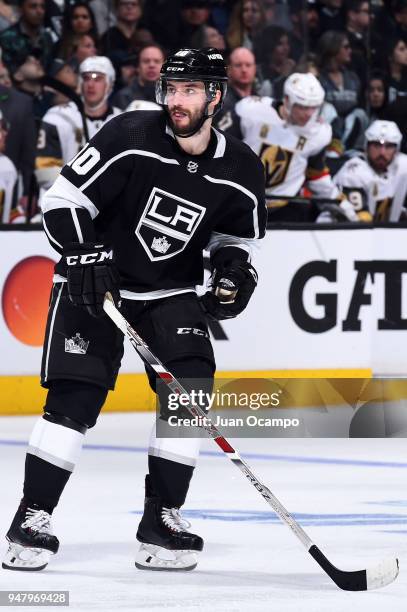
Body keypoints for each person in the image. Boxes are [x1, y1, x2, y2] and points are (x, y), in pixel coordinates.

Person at [2, 47, 266, 572]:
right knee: (76, 397)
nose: (176, 99)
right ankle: (31, 517)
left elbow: (237, 239)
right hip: (92, 284)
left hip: (168, 293)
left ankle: (161, 520)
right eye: (171, 88)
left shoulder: (241, 167)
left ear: (216, 96)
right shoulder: (129, 135)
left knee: (189, 396)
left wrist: (236, 273)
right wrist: (84, 252)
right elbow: (63, 202)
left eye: (190, 90)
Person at [234, 72, 363, 221]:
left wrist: (342, 205)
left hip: (283, 210)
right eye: (302, 107)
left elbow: (316, 175)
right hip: (239, 203)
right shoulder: (251, 111)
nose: (308, 114)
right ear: (287, 100)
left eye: (313, 107)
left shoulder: (318, 133)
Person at [35, 55, 121, 196]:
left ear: (110, 84)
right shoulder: (57, 117)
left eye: (97, 79)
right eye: (86, 78)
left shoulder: (122, 122)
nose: (91, 85)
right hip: (59, 204)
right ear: (80, 82)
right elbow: (45, 173)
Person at [334, 120, 407, 221]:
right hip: (339, 231)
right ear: (366, 147)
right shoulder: (353, 172)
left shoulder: (403, 165)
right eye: (376, 145)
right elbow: (359, 220)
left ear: (396, 150)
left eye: (389, 146)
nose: (382, 152)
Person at [0, 0, 56, 75]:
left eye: (43, 7)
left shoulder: (47, 37)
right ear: (21, 10)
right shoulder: (6, 38)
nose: (39, 11)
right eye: (33, 6)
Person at [112, 44, 165, 110]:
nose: (151, 65)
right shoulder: (124, 97)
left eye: (157, 61)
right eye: (146, 61)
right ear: (138, 67)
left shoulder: (171, 97)